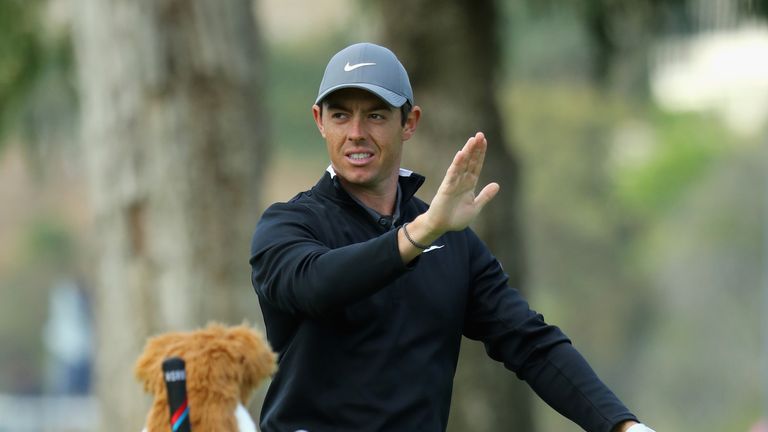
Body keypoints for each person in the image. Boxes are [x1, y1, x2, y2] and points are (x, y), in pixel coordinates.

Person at [250, 42, 654, 432]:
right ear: (319, 121)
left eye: (375, 116)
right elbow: (316, 285)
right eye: (341, 116)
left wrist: (621, 425)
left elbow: (529, 343)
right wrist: (422, 232)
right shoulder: (288, 225)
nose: (356, 132)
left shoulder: (451, 241)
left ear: (409, 123)